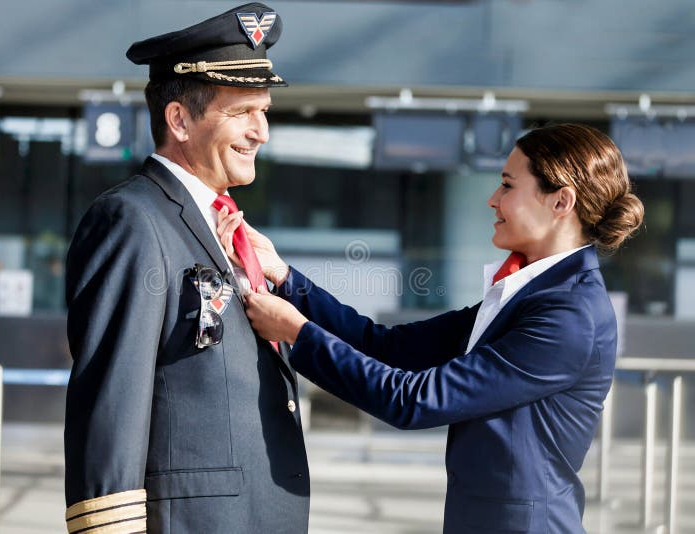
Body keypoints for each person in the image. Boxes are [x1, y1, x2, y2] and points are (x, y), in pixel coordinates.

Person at [217, 123, 644, 533]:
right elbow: (385, 346)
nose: (493, 199)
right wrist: (284, 277)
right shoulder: (529, 294)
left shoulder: (567, 316)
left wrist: (298, 333)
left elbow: (415, 400)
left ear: (560, 202)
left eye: (508, 185)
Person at [64, 4, 309, 533]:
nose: (260, 131)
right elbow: (112, 399)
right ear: (179, 119)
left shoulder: (226, 228)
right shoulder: (131, 219)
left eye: (264, 111)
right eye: (243, 111)